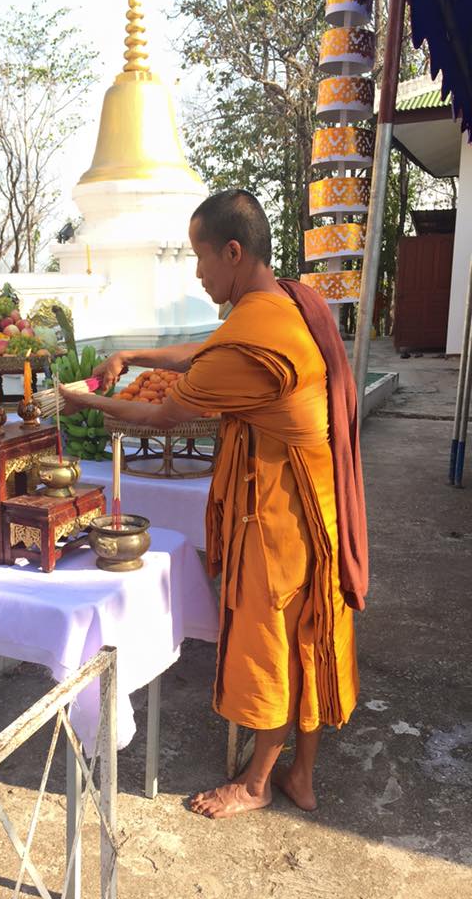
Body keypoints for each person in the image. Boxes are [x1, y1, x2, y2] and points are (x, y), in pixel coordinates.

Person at [61, 189, 367, 818]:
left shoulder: (257, 336)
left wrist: (84, 401)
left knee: (274, 643)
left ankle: (256, 784)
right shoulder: (287, 303)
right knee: (310, 638)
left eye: (201, 259)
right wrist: (138, 353)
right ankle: (300, 775)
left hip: (281, 516)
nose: (197, 273)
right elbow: (212, 348)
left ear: (233, 252)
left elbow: (165, 413)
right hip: (321, 505)